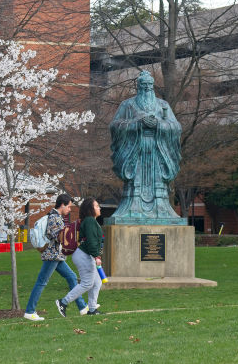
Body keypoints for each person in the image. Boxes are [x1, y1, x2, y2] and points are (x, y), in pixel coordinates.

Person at [108, 70, 184, 224]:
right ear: (138, 86)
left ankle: (161, 208)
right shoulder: (127, 105)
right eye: (144, 85)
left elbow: (176, 126)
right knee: (134, 179)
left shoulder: (163, 105)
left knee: (158, 182)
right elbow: (115, 126)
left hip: (157, 149)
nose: (148, 88)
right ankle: (132, 206)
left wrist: (159, 124)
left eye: (150, 85)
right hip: (135, 148)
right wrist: (137, 123)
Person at [23, 193, 88, 321]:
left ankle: (82, 307)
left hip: (56, 256)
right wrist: (71, 233)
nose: (69, 209)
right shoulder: (54, 217)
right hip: (52, 255)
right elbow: (57, 235)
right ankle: (30, 311)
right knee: (42, 282)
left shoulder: (55, 216)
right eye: (68, 207)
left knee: (72, 276)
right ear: (62, 205)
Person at [55, 197, 103, 317]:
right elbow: (91, 241)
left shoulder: (90, 221)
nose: (99, 208)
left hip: (85, 255)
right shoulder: (90, 221)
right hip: (84, 255)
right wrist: (97, 256)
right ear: (90, 209)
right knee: (87, 283)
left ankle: (92, 309)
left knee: (97, 282)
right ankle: (63, 302)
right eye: (97, 206)